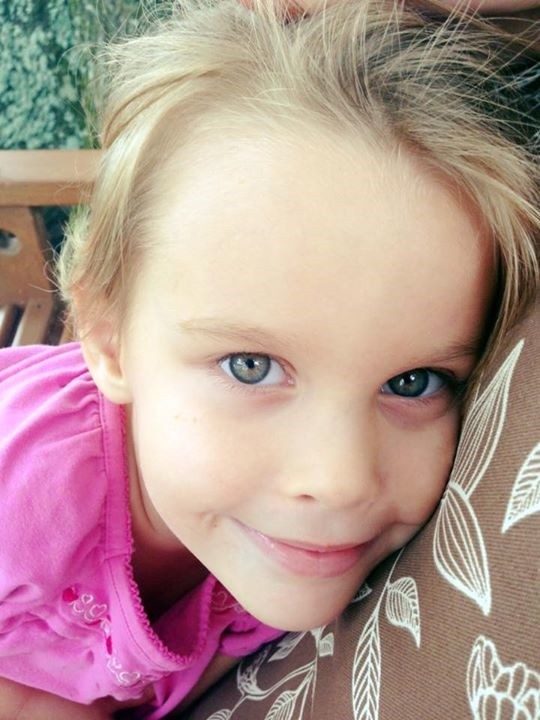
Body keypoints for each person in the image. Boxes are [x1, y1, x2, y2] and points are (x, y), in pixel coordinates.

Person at [0, 0, 538, 717]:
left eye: (413, 382)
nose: (339, 479)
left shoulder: (282, 550)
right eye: (250, 366)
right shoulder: (22, 492)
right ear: (107, 337)